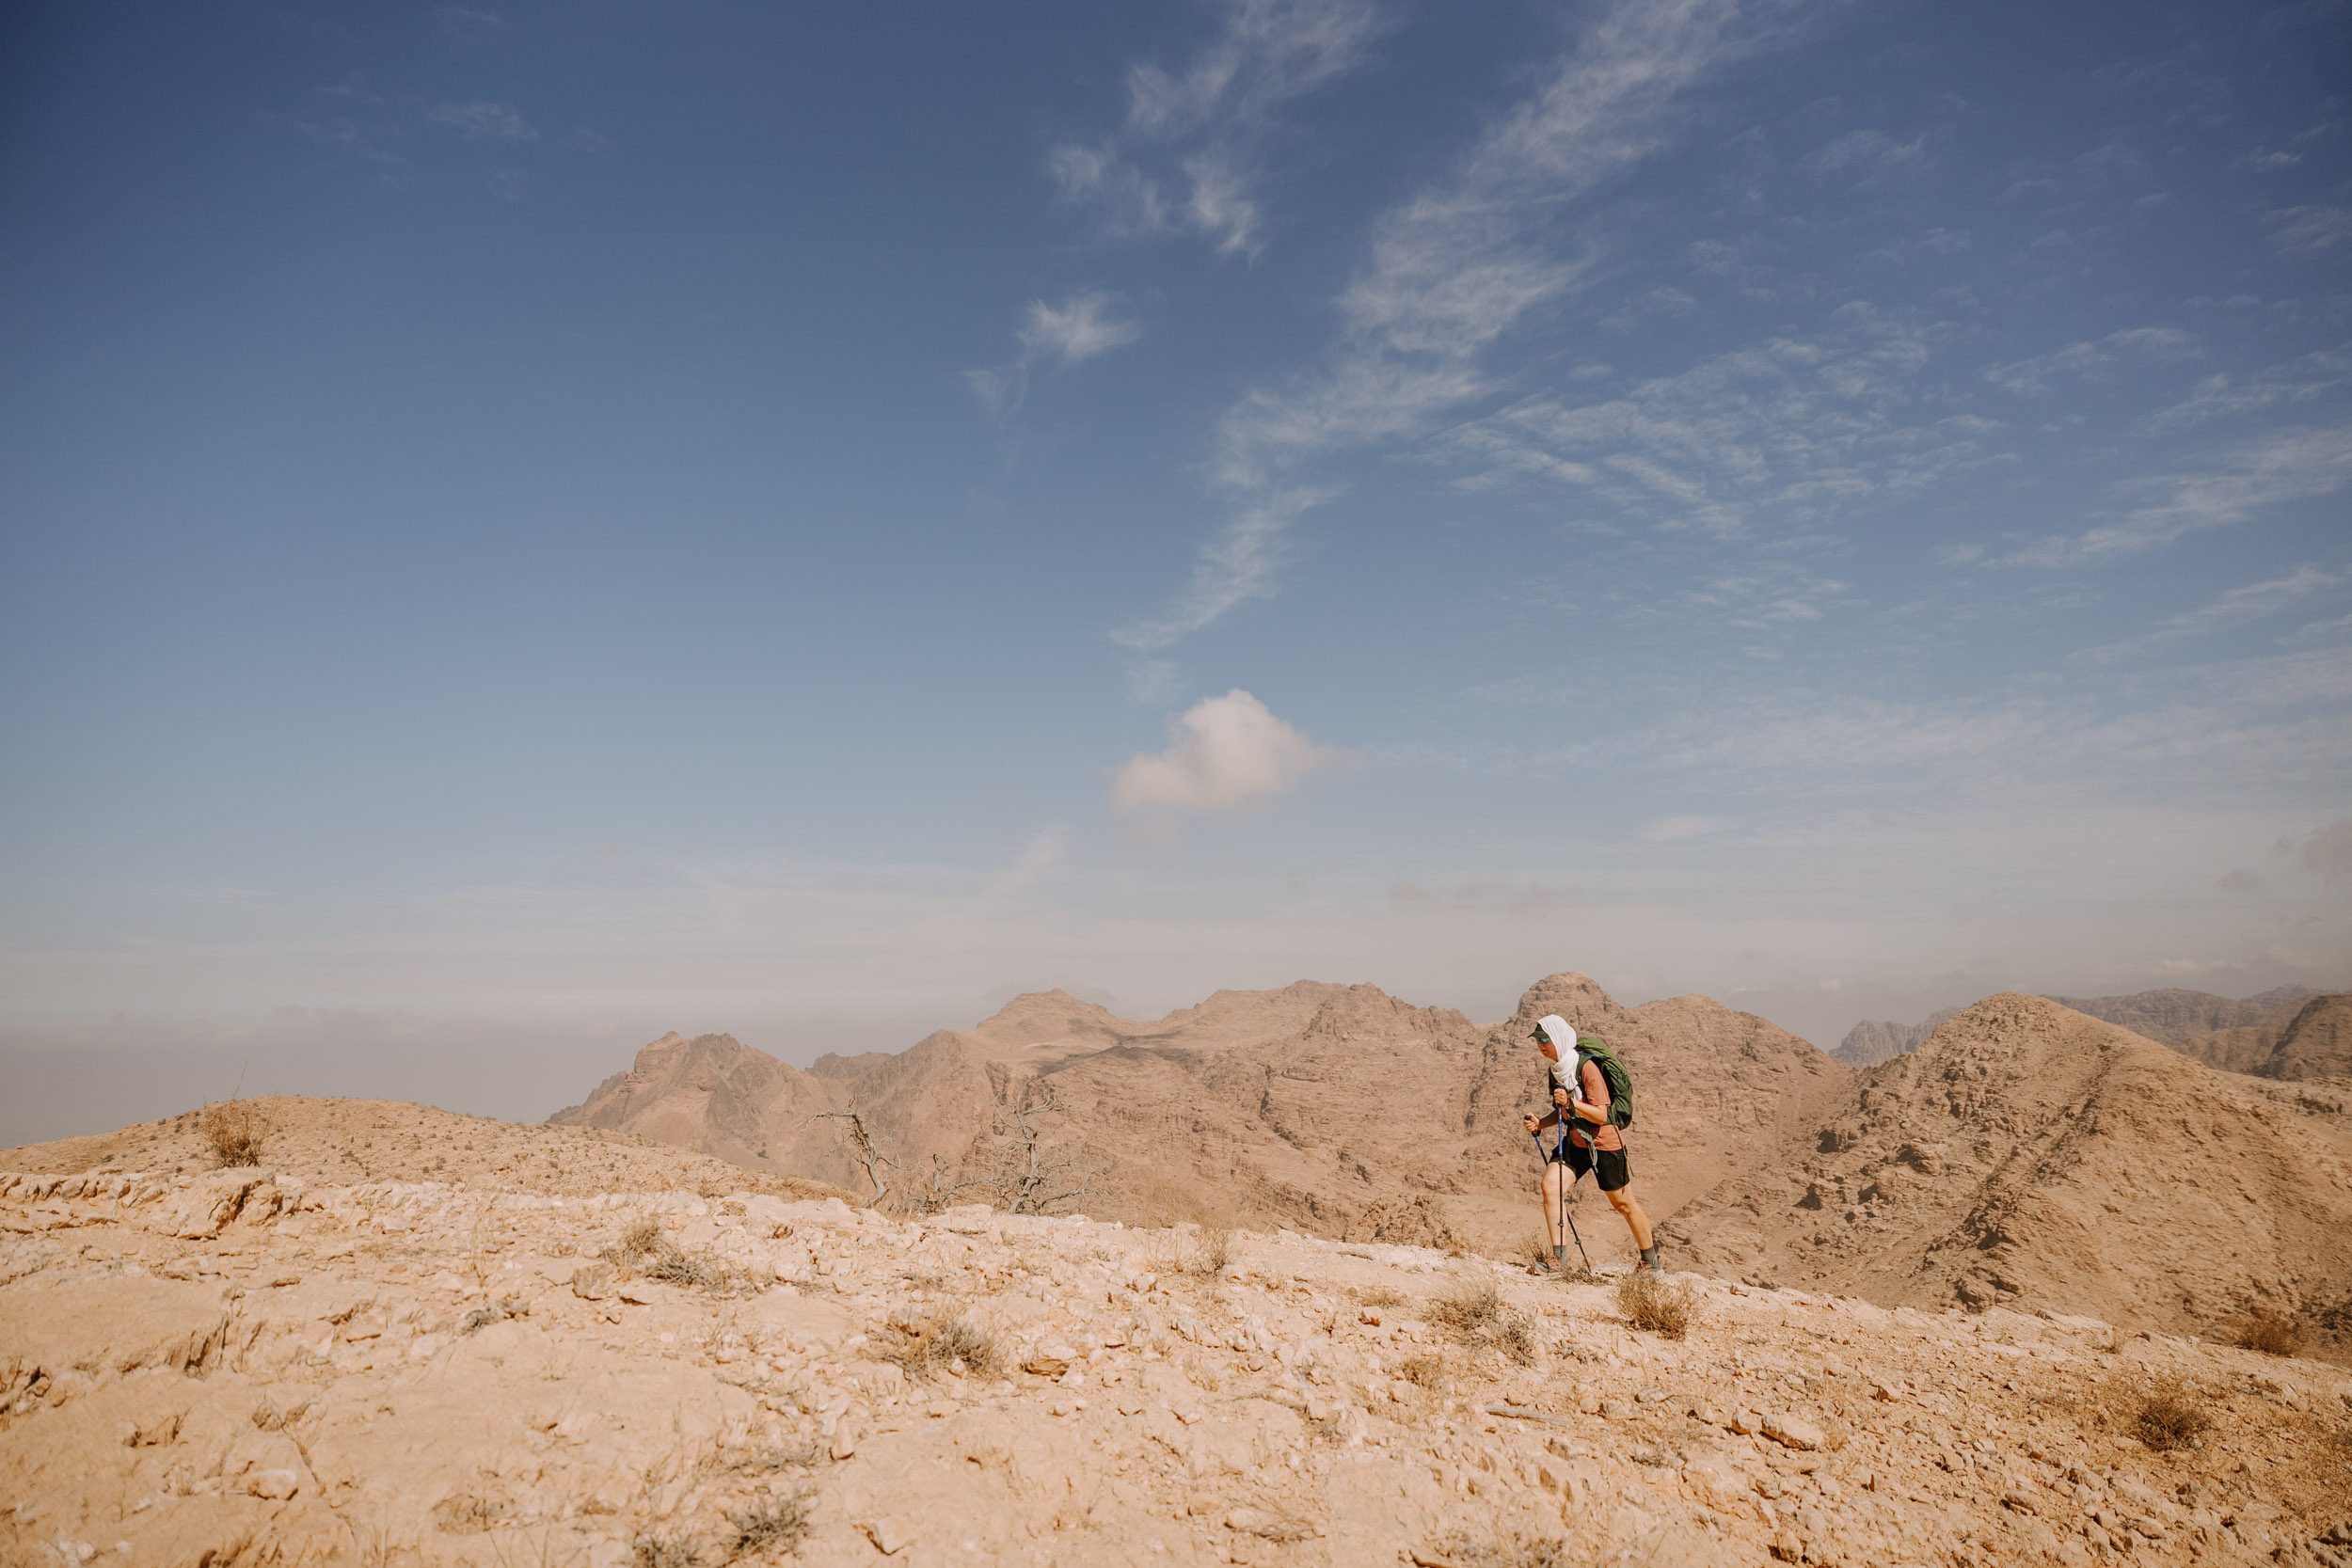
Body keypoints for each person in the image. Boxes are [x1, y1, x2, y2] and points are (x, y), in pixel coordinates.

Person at [1522, 1011, 1661, 1275]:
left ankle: (1650, 1263)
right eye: (1538, 1040)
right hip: (1576, 1142)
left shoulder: (1587, 1068)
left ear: (1558, 1039)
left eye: (1545, 1040)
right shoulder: (1556, 1070)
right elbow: (1563, 1112)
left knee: (1624, 1204)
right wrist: (1540, 1122)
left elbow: (1601, 1113)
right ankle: (1558, 1261)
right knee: (1550, 1187)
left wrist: (1571, 1103)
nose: (1541, 1046)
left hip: (1604, 1143)